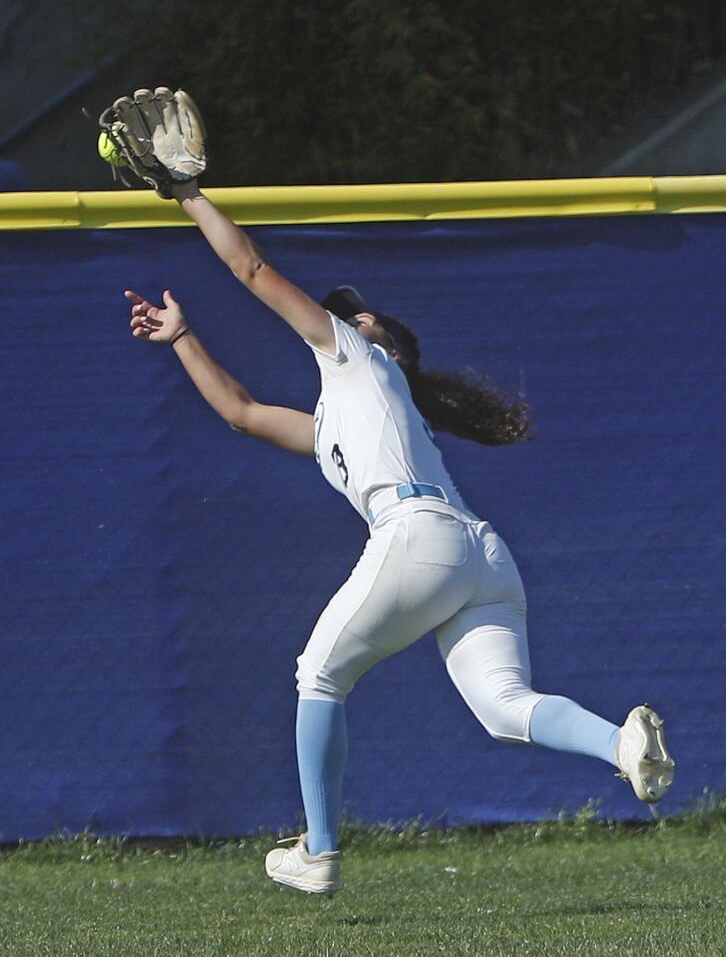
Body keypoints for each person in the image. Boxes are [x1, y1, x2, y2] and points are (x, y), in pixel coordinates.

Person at [125, 180, 675, 895]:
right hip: (481, 555)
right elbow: (241, 412)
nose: (342, 316)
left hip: (418, 536)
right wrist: (184, 339)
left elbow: (251, 269)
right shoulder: (334, 423)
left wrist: (188, 194)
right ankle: (620, 744)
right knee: (504, 706)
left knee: (319, 674)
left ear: (369, 332)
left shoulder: (356, 356)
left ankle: (319, 850)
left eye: (354, 314)